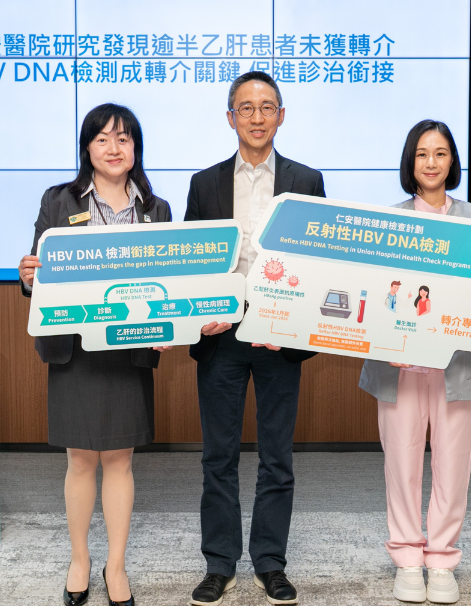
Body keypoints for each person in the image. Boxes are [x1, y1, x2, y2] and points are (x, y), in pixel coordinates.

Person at [18, 103, 172, 606]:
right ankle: (80, 559)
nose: (113, 148)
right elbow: (38, 271)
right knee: (81, 459)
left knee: (121, 460)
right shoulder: (60, 200)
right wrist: (28, 276)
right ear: (88, 147)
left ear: (135, 150)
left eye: (124, 139)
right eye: (103, 139)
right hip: (76, 349)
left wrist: (173, 320)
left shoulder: (157, 208)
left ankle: (117, 566)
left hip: (127, 349)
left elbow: (171, 282)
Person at [184, 71, 325, 606]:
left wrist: (290, 322)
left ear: (281, 116)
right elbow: (195, 262)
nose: (258, 116)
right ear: (230, 118)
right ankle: (219, 564)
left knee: (276, 455)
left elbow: (317, 265)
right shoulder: (205, 183)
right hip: (222, 334)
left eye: (268, 107)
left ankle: (269, 562)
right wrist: (203, 311)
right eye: (246, 108)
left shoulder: (307, 180)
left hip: (278, 336)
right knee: (217, 455)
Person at [359, 120, 471, 605]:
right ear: (410, 162)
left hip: (458, 366)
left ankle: (443, 558)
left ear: (453, 162)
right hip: (399, 367)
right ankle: (407, 557)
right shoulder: (386, 222)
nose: (431, 162)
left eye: (441, 153)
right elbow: (370, 292)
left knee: (453, 467)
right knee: (400, 464)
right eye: (422, 153)